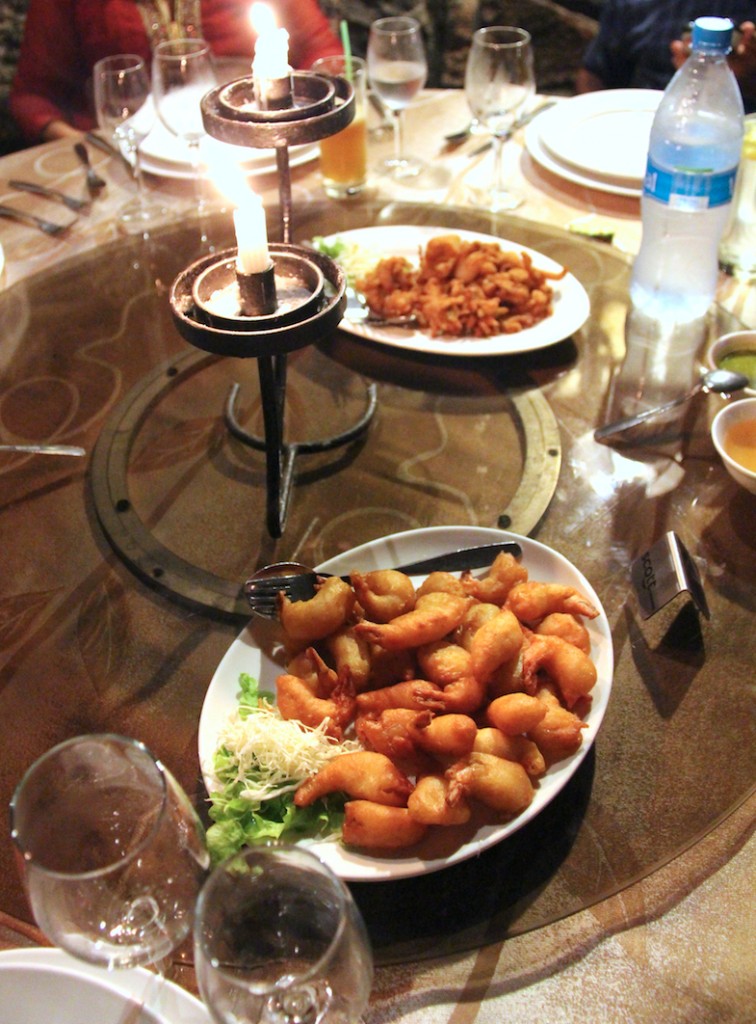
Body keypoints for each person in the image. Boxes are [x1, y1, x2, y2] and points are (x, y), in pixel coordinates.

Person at [9, 0, 343, 145]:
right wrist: (98, 148)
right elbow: (33, 97)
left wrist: (291, 121)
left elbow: (324, 54)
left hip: (257, 146)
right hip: (134, 170)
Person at [576, 1, 756, 111]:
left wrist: (746, 80)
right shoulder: (633, 5)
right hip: (645, 121)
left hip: (736, 130)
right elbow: (594, 73)